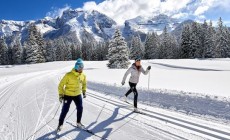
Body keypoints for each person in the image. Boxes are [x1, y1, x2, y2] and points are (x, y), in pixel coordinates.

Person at [57, 58, 87, 131]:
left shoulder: (83, 75)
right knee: (65, 110)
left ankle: (78, 122)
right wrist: (61, 95)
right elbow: (61, 85)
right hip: (68, 95)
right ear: (76, 67)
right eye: (80, 67)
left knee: (80, 108)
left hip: (77, 94)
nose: (82, 69)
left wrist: (84, 91)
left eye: (82, 67)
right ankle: (60, 124)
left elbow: (84, 83)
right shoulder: (68, 75)